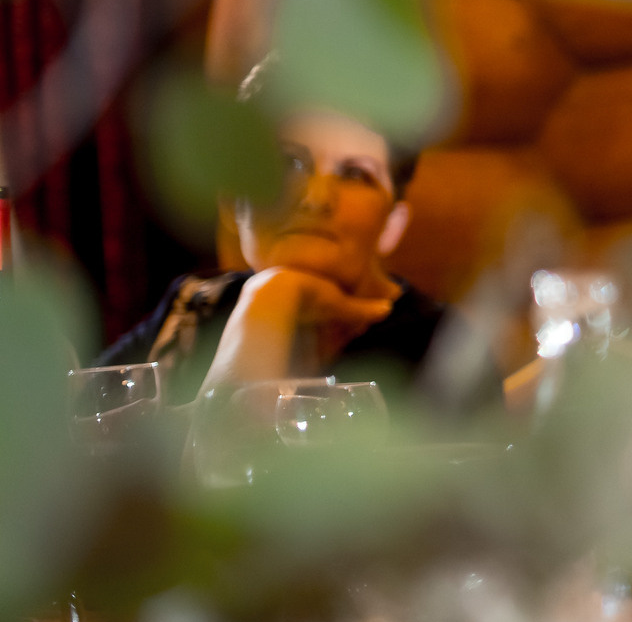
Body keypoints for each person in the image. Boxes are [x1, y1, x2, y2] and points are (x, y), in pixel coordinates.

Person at [98, 64, 445, 401]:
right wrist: (268, 298)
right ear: (233, 202)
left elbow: (225, 436)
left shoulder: (446, 351)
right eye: (288, 163)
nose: (315, 199)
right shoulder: (192, 312)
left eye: (355, 174)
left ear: (392, 225)